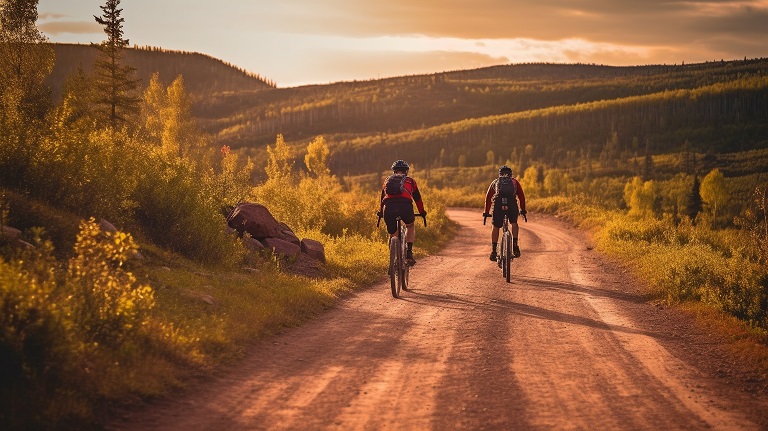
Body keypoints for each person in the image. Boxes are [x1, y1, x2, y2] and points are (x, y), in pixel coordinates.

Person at [378, 160, 426, 266]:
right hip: (405, 206)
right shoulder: (411, 181)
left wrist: (381, 213)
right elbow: (418, 199)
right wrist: (422, 212)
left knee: (393, 233)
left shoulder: (387, 181)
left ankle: (393, 259)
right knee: (410, 225)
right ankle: (409, 253)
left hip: (388, 208)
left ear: (394, 171)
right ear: (406, 171)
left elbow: (382, 199)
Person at [483, 165, 526, 261]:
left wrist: (486, 212)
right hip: (511, 204)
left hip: (498, 204)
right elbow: (521, 197)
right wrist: (523, 210)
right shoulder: (514, 182)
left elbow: (488, 198)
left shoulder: (495, 182)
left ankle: (494, 251)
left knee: (496, 226)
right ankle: (515, 245)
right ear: (511, 174)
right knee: (514, 223)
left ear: (500, 174)